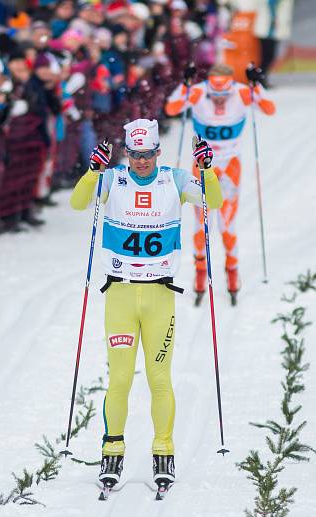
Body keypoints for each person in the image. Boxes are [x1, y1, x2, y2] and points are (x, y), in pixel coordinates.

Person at [70, 118, 223, 491]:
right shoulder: (113, 179)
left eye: (148, 154)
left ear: (158, 151)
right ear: (127, 152)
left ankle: (163, 452)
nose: (141, 161)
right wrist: (92, 173)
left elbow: (213, 202)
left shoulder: (175, 178)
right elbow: (77, 203)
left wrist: (208, 170)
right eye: (135, 154)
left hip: (159, 295)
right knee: (119, 379)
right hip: (120, 295)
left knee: (159, 379)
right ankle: (112, 452)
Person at [164, 63, 275, 304]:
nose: (220, 102)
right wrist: (185, 83)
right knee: (201, 223)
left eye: (224, 95)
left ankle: (232, 271)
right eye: (215, 96)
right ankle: (200, 272)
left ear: (231, 88)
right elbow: (172, 109)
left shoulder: (241, 91)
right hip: (202, 164)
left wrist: (258, 84)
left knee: (227, 224)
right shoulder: (198, 92)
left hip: (229, 165)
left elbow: (269, 109)